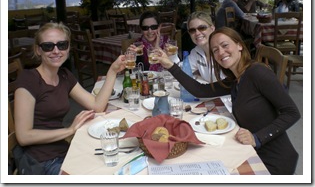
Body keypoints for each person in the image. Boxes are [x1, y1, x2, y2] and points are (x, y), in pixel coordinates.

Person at [154, 27, 300, 175]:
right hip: (249, 151)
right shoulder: (235, 79)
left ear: (239, 45)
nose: (221, 52)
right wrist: (169, 65)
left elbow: (292, 113)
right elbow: (200, 90)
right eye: (215, 50)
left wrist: (257, 138)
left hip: (273, 161)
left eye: (225, 45)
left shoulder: (257, 72)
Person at [14, 22, 126, 175]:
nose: (56, 51)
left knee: (116, 163)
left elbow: (96, 106)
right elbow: (23, 136)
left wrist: (112, 71)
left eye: (62, 45)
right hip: (41, 161)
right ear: (38, 50)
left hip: (62, 149)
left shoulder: (64, 75)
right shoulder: (29, 80)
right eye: (48, 46)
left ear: (68, 48)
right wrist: (70, 130)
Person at [184, 11, 220, 83]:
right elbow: (183, 71)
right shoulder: (196, 52)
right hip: (208, 92)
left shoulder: (222, 51)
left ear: (212, 29)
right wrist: (173, 56)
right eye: (192, 30)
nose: (197, 33)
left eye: (202, 28)